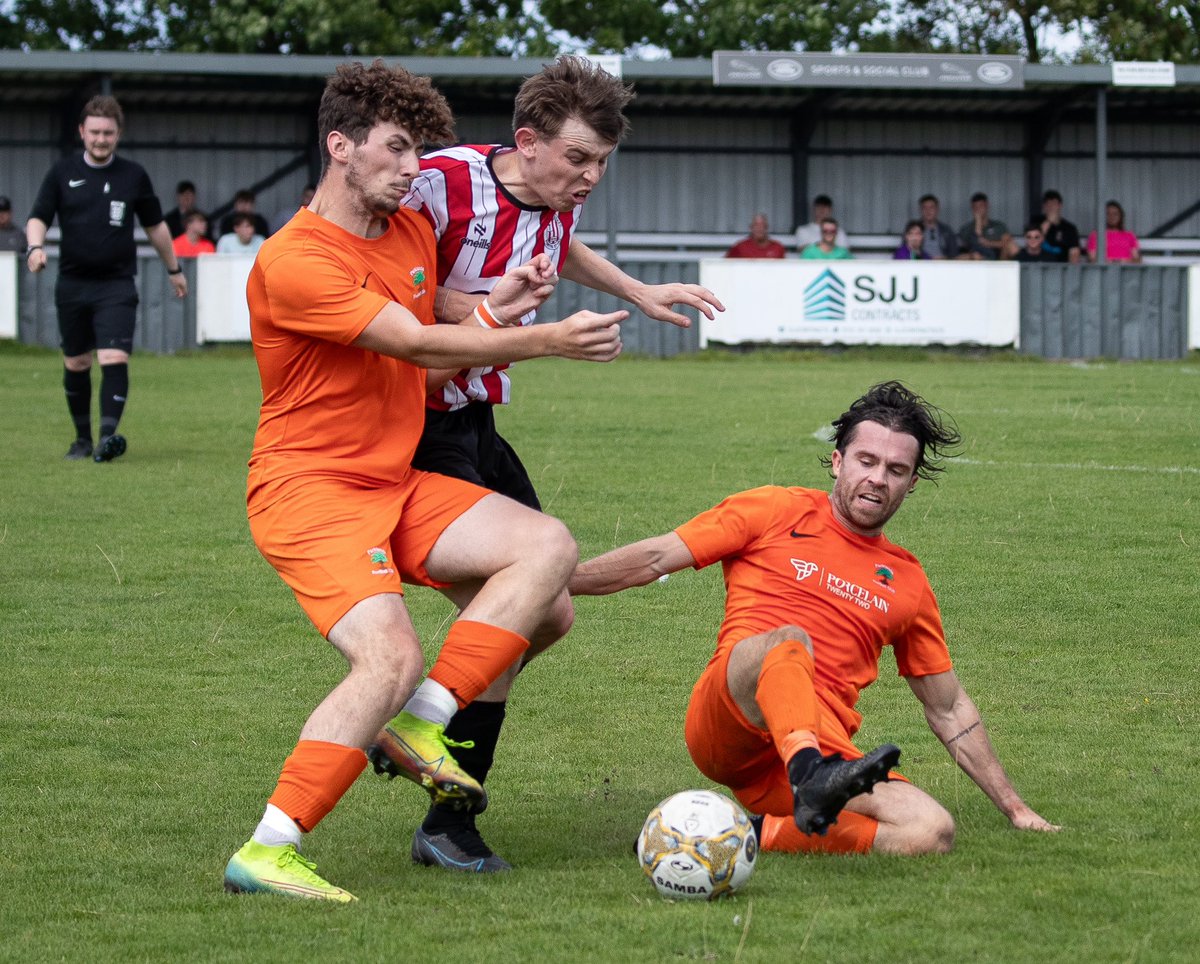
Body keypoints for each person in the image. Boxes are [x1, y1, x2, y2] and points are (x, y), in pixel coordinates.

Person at [222, 59, 628, 904]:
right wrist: (546, 339)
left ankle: (421, 727)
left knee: (546, 562)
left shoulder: (407, 233)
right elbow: (412, 345)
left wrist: (492, 309)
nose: (414, 170)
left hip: (394, 480)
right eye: (398, 149)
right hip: (310, 493)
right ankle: (269, 848)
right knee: (390, 657)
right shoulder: (294, 261)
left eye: (420, 151)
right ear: (341, 146)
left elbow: (434, 351)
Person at [394, 55, 724, 874]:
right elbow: (390, 295)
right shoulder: (440, 183)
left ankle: (417, 720)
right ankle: (443, 803)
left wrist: (641, 292)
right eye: (579, 159)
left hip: (475, 421)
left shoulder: (547, 202)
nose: (591, 176)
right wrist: (487, 312)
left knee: (548, 615)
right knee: (519, 612)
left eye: (603, 163)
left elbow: (562, 242)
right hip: (411, 429)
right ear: (527, 141)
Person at [571, 382, 1059, 856]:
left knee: (931, 831)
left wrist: (1016, 807)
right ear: (838, 462)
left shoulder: (908, 582)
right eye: (866, 461)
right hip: (730, 720)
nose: (877, 478)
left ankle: (748, 832)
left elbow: (949, 708)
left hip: (812, 761)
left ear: (910, 485)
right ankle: (812, 774)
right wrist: (546, 581)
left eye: (895, 469)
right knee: (788, 641)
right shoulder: (773, 509)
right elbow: (655, 557)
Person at [25, 95, 187, 463]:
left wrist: (174, 270)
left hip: (116, 284)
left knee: (114, 356)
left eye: (108, 133)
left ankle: (106, 439)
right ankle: (81, 440)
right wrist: (34, 248)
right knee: (77, 362)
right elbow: (38, 217)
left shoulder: (133, 175)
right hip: (72, 284)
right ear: (82, 132)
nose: (101, 139)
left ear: (118, 134)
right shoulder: (61, 173)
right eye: (95, 132)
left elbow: (156, 227)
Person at [957, 192, 1013, 261]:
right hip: (977, 258)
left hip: (999, 259)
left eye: (981, 206)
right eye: (975, 207)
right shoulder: (966, 228)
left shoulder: (999, 225)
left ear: (987, 206)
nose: (978, 209)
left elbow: (1007, 243)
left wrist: (988, 243)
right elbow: (975, 244)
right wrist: (978, 222)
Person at [1035, 189, 1081, 263]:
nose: (1051, 207)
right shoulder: (1036, 222)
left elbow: (1074, 253)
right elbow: (1034, 239)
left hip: (1062, 269)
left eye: (1054, 204)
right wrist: (1049, 221)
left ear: (1060, 205)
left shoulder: (1069, 228)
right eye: (1048, 204)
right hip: (1039, 267)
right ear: (1044, 207)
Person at [916, 194, 958, 260]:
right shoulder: (913, 230)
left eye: (931, 207)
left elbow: (954, 254)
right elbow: (906, 252)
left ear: (937, 209)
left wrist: (944, 258)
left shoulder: (946, 230)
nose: (928, 211)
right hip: (920, 265)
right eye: (925, 208)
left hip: (943, 266)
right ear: (920, 210)